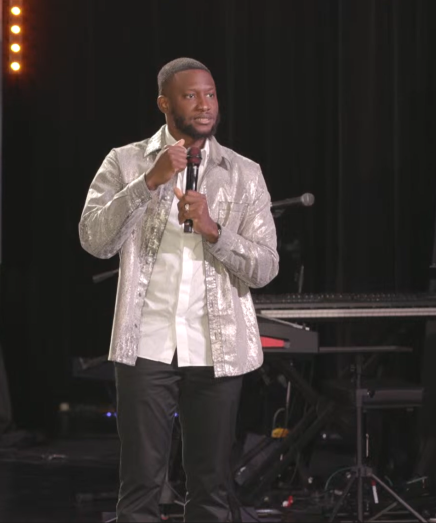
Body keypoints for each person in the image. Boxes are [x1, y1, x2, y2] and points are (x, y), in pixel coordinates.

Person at [79, 57, 279, 522]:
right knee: (141, 487)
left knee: (211, 488)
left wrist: (213, 230)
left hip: (217, 346)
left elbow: (266, 266)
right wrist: (149, 182)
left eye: (210, 94)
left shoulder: (243, 173)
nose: (205, 105)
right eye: (191, 95)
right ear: (164, 103)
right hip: (146, 343)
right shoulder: (126, 160)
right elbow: (94, 238)